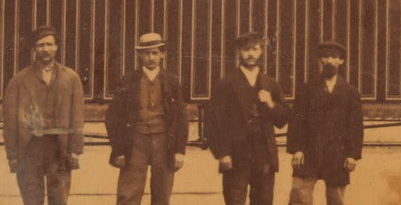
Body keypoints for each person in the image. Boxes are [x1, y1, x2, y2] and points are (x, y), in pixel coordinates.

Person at [3, 25, 86, 205]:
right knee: (31, 197)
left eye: (49, 44)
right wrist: (12, 154)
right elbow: (9, 121)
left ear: (56, 47)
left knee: (59, 198)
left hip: (59, 147)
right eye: (40, 45)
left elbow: (77, 116)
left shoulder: (70, 78)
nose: (45, 49)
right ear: (34, 49)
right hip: (30, 147)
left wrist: (75, 150)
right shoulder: (19, 80)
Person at [105, 32, 189, 205]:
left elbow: (181, 117)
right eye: (146, 53)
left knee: (162, 193)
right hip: (136, 141)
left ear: (163, 54)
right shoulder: (128, 81)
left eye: (155, 52)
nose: (151, 57)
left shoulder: (172, 81)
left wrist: (179, 150)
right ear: (139, 56)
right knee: (129, 193)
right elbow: (113, 117)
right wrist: (119, 149)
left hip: (163, 141)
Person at [207, 31, 290, 205]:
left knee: (264, 200)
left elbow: (283, 120)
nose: (251, 54)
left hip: (264, 154)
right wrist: (223, 153)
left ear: (261, 51)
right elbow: (215, 122)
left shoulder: (270, 83)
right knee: (234, 200)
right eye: (246, 50)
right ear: (239, 52)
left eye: (255, 49)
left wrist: (270, 103)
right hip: (236, 154)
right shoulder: (226, 83)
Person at [288, 41, 364, 205]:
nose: (329, 60)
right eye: (325, 57)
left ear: (341, 61)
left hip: (337, 153)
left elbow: (355, 126)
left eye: (334, 57)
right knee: (300, 196)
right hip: (308, 151)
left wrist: (352, 154)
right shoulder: (307, 89)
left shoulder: (350, 92)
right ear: (319, 60)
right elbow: (297, 121)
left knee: (336, 198)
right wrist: (297, 149)